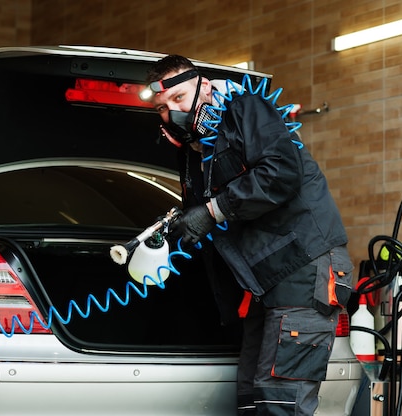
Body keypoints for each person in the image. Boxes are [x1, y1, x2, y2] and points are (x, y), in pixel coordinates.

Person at [144, 54, 354, 416]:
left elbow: (280, 173)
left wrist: (211, 211)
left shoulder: (247, 109)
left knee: (281, 402)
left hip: (303, 270)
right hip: (263, 284)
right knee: (252, 398)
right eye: (163, 108)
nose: (172, 113)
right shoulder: (197, 151)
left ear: (205, 87)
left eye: (179, 99)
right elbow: (205, 218)